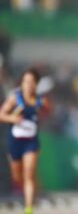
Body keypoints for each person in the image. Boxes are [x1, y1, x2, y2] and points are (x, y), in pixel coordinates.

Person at [0, 68, 48, 214]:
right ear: (21, 83)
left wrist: (41, 114)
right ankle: (30, 194)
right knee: (17, 175)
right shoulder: (14, 98)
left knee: (29, 172)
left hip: (31, 142)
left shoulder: (41, 101)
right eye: (25, 81)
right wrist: (13, 118)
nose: (28, 85)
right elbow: (1, 115)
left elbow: (47, 114)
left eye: (31, 82)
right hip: (15, 142)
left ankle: (28, 209)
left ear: (36, 84)